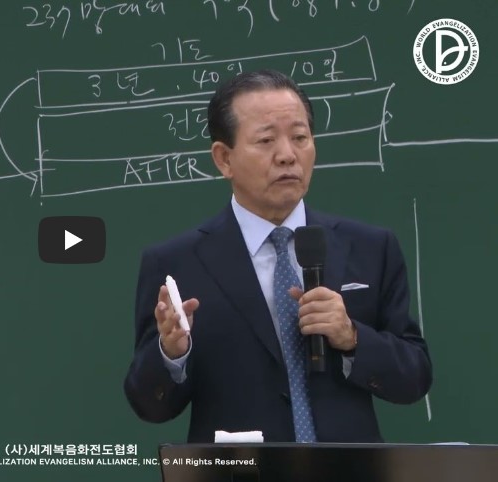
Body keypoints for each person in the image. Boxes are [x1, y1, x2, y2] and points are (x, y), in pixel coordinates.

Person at [123, 69, 432, 443]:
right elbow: (150, 406)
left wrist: (352, 337)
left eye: (300, 138)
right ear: (224, 159)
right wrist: (171, 354)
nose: (287, 155)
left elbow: (415, 378)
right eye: (266, 140)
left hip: (350, 468)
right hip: (239, 467)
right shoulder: (176, 263)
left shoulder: (371, 247)